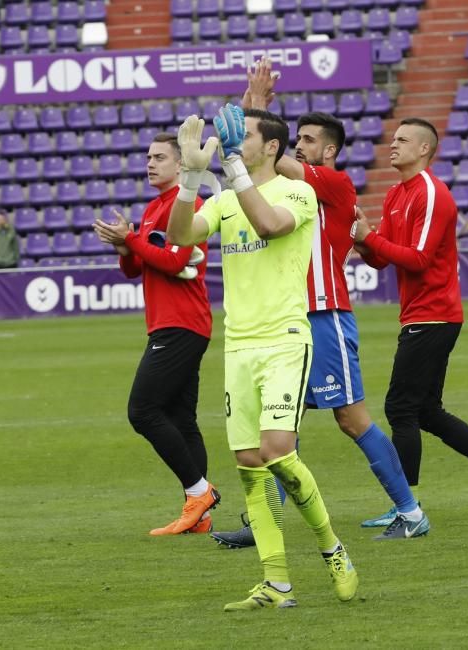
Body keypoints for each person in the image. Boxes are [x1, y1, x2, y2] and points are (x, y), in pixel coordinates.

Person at [210, 60, 428, 547]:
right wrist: (251, 110)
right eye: (297, 138)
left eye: (306, 141)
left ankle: (410, 510)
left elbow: (266, 155)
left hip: (323, 314)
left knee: (351, 418)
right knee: (280, 427)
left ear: (327, 151)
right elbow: (253, 153)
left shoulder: (332, 184)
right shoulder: (283, 184)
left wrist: (259, 107)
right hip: (286, 319)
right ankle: (263, 523)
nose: (298, 147)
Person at [167, 105, 357, 611]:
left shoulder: (298, 192)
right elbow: (180, 237)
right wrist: (189, 179)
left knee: (279, 451)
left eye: (245, 135)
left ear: (271, 146)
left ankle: (331, 547)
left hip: (285, 340)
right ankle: (277, 584)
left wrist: (229, 167)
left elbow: (270, 226)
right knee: (250, 464)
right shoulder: (227, 199)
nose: (235, 140)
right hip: (240, 348)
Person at [352, 117, 468, 529]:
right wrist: (361, 239)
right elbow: (382, 258)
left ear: (424, 150)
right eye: (392, 139)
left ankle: (406, 507)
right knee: (427, 412)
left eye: (402, 140)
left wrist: (369, 236)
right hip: (421, 313)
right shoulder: (398, 193)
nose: (392, 145)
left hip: (433, 314)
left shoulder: (432, 193)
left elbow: (417, 257)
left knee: (400, 408)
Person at [92, 133, 217, 536]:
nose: (150, 163)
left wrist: (131, 240)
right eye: (148, 156)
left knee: (142, 411)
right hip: (171, 321)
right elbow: (136, 270)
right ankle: (198, 513)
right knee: (182, 419)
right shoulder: (152, 207)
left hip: (183, 321)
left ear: (181, 165)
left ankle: (200, 493)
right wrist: (125, 246)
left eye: (160, 157)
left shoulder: (189, 204)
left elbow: (176, 259)